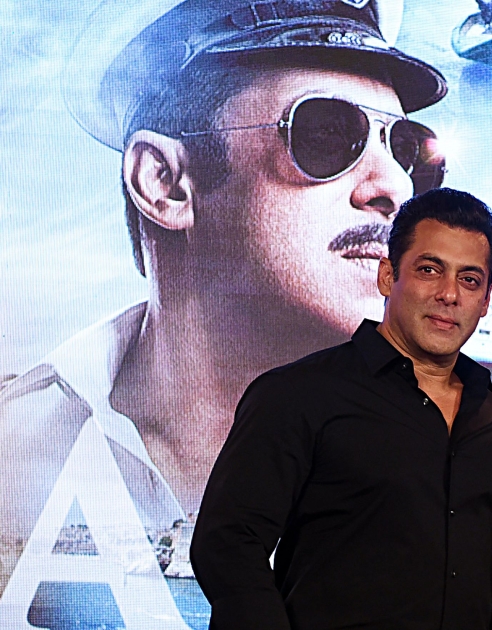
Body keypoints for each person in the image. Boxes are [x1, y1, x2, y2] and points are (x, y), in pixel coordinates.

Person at [0, 0, 447, 624]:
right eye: (325, 134)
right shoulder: (14, 453)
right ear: (165, 183)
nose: (395, 187)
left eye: (407, 150)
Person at [191, 188, 492, 629]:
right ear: (388, 275)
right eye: (429, 269)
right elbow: (228, 544)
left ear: (485, 299)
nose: (449, 294)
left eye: (469, 279)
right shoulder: (298, 395)